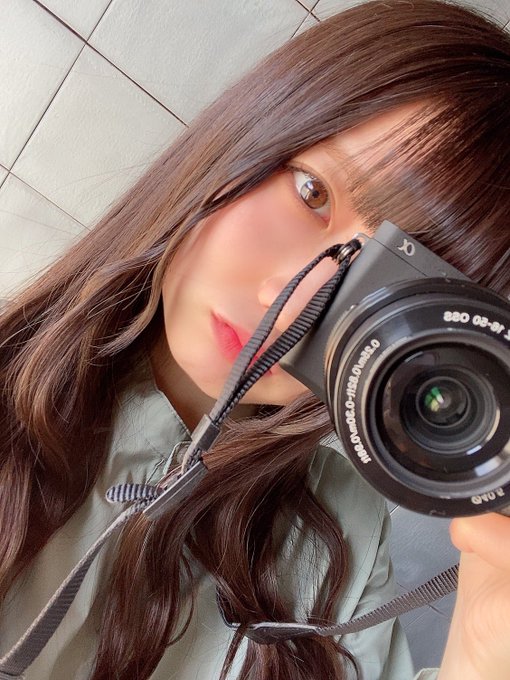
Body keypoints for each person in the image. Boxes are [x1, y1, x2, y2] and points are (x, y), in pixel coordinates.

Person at [0, 0, 509, 678]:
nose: (293, 302)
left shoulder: (345, 546)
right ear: (255, 128)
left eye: (387, 293)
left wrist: (480, 660)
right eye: (312, 193)